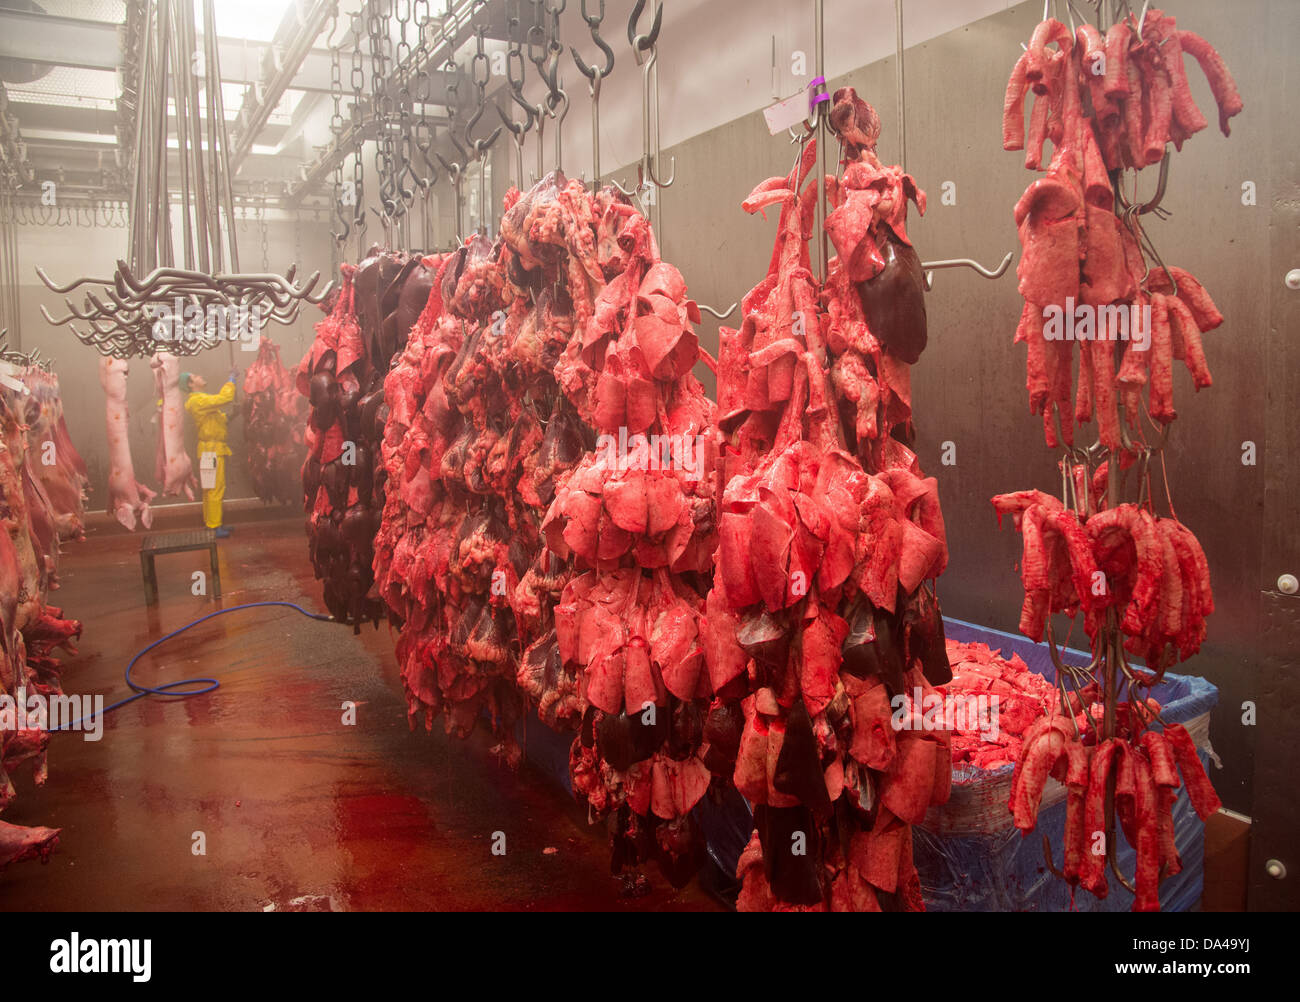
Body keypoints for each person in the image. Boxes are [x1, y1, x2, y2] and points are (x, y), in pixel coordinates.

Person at [182, 370, 238, 538]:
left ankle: (212, 523)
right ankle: (214, 526)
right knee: (215, 488)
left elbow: (218, 420)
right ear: (191, 385)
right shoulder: (197, 400)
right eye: (196, 376)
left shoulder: (200, 402)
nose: (200, 376)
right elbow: (224, 398)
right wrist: (231, 380)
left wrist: (233, 415)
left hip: (209, 451)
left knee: (210, 489)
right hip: (211, 451)